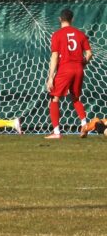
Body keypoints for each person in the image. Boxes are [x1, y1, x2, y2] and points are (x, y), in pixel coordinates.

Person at [46, 9, 92, 139]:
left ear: (60, 19)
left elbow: (54, 56)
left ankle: (56, 132)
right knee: (76, 98)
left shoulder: (57, 34)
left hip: (65, 69)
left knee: (54, 98)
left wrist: (50, 77)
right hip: (78, 69)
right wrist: (82, 64)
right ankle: (85, 125)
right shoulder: (80, 34)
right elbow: (89, 54)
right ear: (72, 19)